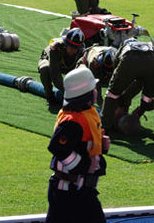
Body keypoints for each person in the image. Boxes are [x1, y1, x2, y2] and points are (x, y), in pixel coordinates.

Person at [46, 66, 109, 223]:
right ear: (85, 94)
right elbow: (57, 147)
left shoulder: (87, 113)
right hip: (67, 191)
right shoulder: (72, 121)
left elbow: (82, 145)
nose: (96, 91)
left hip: (81, 190)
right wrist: (83, 165)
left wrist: (102, 146)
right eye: (93, 89)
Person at [101, 38, 154, 141]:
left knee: (112, 94)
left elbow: (117, 70)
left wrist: (122, 101)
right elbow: (142, 84)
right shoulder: (148, 46)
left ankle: (104, 129)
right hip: (153, 61)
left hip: (130, 59)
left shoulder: (124, 48)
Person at [38, 28, 85, 107]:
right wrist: (66, 92)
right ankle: (49, 96)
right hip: (51, 63)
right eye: (71, 47)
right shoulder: (55, 48)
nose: (73, 50)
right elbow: (55, 75)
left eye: (75, 48)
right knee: (45, 68)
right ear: (66, 44)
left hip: (69, 67)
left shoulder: (82, 52)